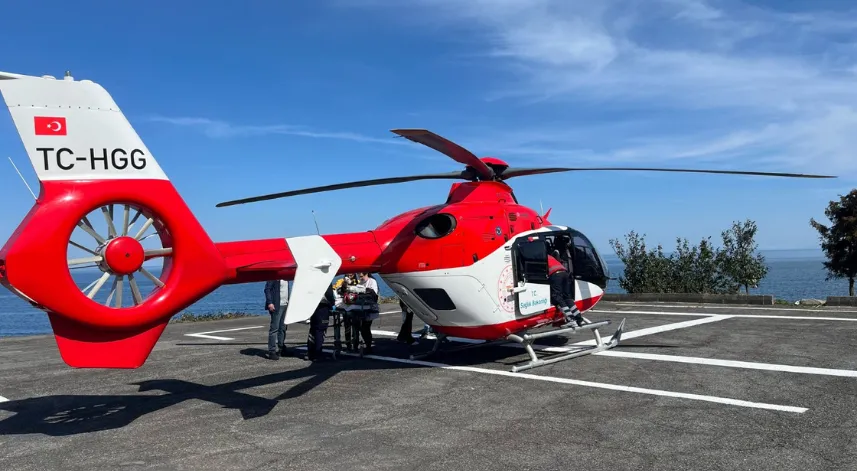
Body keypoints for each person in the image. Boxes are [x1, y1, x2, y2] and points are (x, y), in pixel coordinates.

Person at [547, 254, 585, 327]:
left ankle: (571, 319)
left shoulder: (540, 256)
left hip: (556, 275)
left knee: (557, 297)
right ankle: (579, 319)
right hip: (565, 273)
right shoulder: (549, 256)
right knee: (567, 297)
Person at [306, 283, 336, 361]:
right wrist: (333, 303)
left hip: (313, 305)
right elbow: (329, 295)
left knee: (313, 328)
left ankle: (311, 353)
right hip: (323, 307)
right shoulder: (326, 279)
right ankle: (318, 353)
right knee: (320, 330)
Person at [263, 279, 290, 360]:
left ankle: (281, 348)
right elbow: (267, 289)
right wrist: (270, 302)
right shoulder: (274, 277)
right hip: (277, 305)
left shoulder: (286, 278)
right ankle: (272, 351)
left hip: (285, 304)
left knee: (283, 328)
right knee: (274, 328)